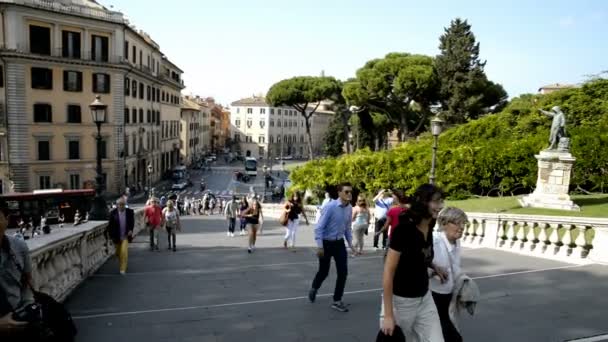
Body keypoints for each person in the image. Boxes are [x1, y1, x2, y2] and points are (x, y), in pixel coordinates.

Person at [380, 184, 445, 341]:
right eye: (436, 201)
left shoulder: (429, 227)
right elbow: (388, 272)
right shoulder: (403, 231)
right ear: (423, 202)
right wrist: (388, 315)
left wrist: (434, 266)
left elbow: (420, 255)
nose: (440, 206)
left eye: (441, 201)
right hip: (401, 303)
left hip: (425, 299)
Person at [308, 182, 356, 313]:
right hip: (326, 243)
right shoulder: (330, 207)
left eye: (350, 192)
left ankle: (337, 300)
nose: (349, 194)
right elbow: (319, 228)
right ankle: (314, 287)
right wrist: (320, 246)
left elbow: (347, 228)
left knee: (343, 272)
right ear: (339, 193)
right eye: (346, 192)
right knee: (324, 271)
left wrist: (351, 244)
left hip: (339, 243)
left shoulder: (349, 208)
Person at [431, 207, 467, 342]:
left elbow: (455, 267)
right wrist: (433, 271)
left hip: (447, 295)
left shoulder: (456, 241)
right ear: (444, 224)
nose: (462, 227)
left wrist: (463, 282)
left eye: (463, 223)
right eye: (458, 223)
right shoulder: (434, 241)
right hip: (432, 297)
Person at [0, 200, 35, 339]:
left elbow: (27, 280)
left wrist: (28, 308)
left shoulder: (19, 246)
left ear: (6, 220)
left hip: (19, 322)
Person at [107, 197, 135, 275]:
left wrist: (130, 230)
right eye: (120, 204)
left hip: (125, 236)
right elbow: (110, 226)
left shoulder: (130, 212)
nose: (122, 206)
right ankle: (122, 263)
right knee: (118, 253)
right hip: (116, 236)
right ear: (117, 205)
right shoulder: (113, 213)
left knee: (124, 252)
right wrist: (110, 237)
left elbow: (132, 222)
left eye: (123, 204)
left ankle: (123, 268)